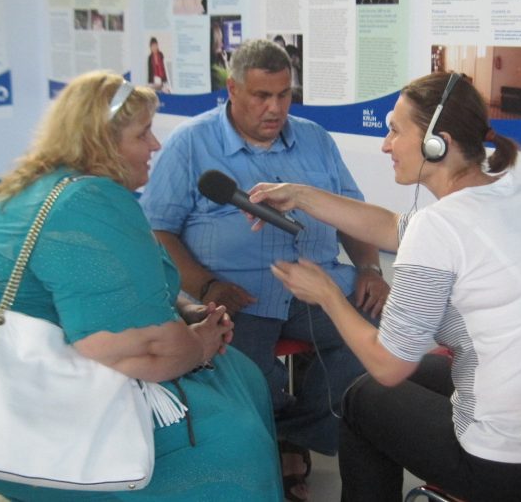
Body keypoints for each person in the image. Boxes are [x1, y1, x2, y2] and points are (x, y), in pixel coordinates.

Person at [250, 71, 521, 501]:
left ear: (439, 142)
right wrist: (301, 195)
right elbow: (389, 226)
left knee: (361, 398)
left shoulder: (439, 228)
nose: (386, 145)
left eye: (396, 131)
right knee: (411, 376)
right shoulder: (515, 197)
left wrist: (326, 294)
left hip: (508, 464)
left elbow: (388, 365)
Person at [0, 71, 284, 501]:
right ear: (101, 142)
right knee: (231, 439)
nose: (154, 145)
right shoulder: (85, 204)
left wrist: (185, 311)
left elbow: (124, 286)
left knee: (242, 374)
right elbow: (136, 352)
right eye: (142, 134)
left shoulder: (43, 187)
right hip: (28, 422)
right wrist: (199, 345)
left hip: (30, 383)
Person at [139, 39, 389, 502]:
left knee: (381, 332)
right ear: (233, 89)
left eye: (284, 94)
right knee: (245, 373)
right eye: (261, 96)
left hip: (318, 284)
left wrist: (370, 266)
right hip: (236, 295)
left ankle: (291, 434)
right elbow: (158, 230)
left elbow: (353, 213)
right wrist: (206, 285)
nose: (275, 108)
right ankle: (276, 436)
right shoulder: (191, 143)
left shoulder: (315, 139)